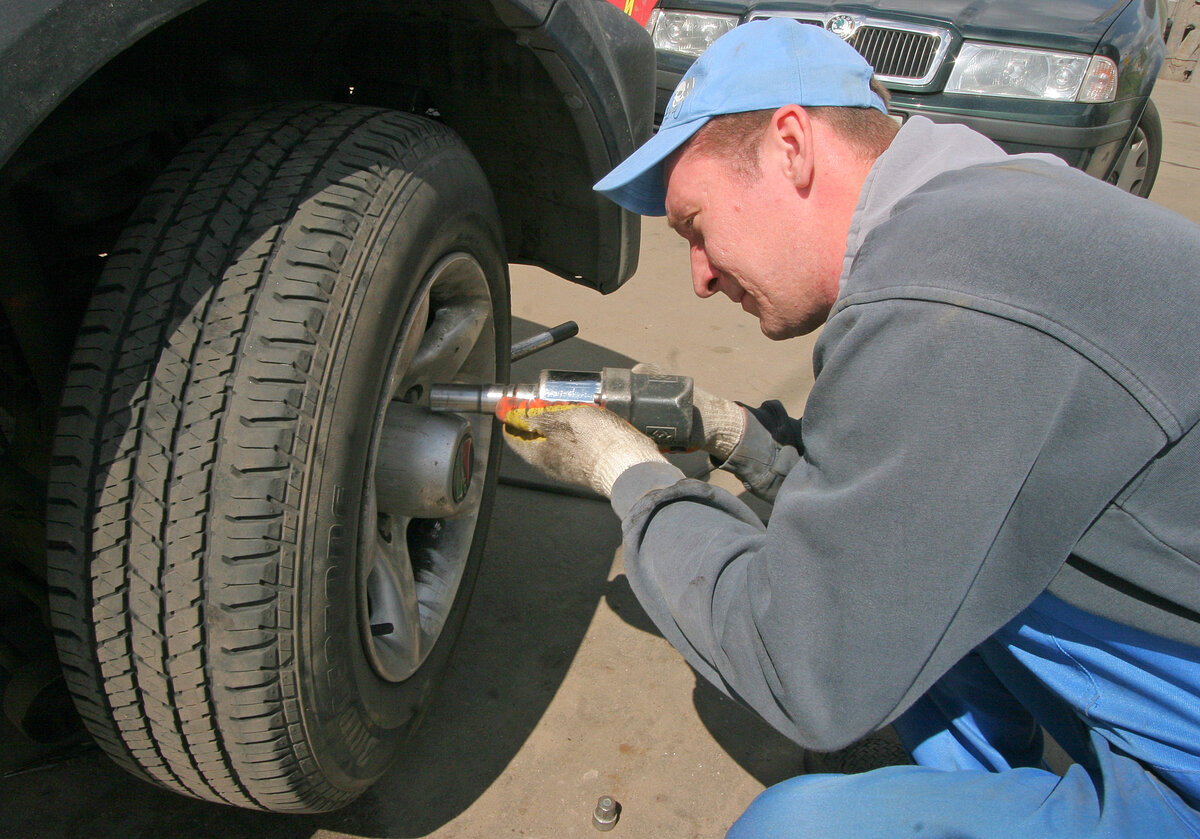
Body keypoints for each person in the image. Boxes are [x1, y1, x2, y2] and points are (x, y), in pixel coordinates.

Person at [503, 18, 1200, 838]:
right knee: (908, 569)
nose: (698, 277)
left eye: (695, 226)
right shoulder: (976, 208)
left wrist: (633, 479)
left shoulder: (946, 293)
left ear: (792, 145)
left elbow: (798, 665)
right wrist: (741, 439)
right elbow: (891, 506)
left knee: (791, 829)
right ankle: (986, 785)